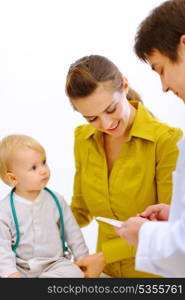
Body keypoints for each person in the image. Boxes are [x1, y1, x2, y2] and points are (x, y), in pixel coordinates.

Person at [65, 54, 183, 278]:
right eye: (92, 118)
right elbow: (80, 209)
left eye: (111, 109)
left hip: (152, 277)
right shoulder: (83, 139)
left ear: (124, 85)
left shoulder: (167, 141)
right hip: (104, 274)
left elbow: (171, 229)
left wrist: (105, 256)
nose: (106, 124)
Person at [115, 0, 185, 277]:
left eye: (161, 69)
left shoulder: (165, 138)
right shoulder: (82, 140)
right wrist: (177, 216)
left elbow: (181, 251)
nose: (164, 87)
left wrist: (145, 233)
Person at [0, 134, 89, 278]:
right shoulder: (4, 210)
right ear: (13, 178)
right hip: (20, 266)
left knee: (74, 273)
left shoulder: (56, 200)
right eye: (34, 167)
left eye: (43, 162)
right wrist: (12, 273)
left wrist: (83, 259)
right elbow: (2, 247)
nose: (43, 170)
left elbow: (73, 233)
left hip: (54, 264)